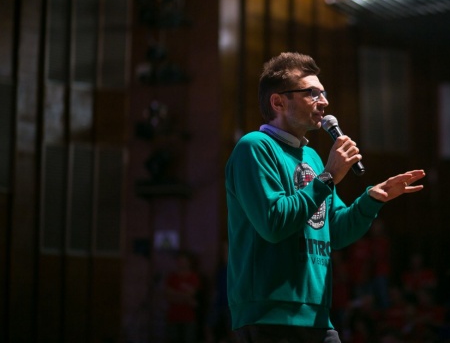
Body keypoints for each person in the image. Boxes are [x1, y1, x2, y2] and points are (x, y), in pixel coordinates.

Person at [225, 52, 426, 343]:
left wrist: (372, 200)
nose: (324, 102)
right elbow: (274, 223)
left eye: (324, 93)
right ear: (278, 102)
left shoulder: (312, 157)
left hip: (317, 314)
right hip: (269, 314)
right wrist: (328, 176)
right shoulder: (254, 147)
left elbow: (336, 231)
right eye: (312, 93)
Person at [164, 251, 201, 343]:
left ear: (189, 262)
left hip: (188, 317)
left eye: (184, 261)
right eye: (179, 261)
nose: (181, 263)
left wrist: (175, 294)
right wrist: (186, 298)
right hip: (173, 316)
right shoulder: (172, 277)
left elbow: (192, 294)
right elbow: (168, 296)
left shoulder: (193, 277)